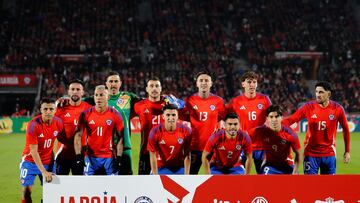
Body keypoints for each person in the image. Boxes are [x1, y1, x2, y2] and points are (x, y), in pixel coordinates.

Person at [283, 81, 350, 174]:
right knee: (310, 187)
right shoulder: (308, 107)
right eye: (316, 92)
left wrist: (347, 151)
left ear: (329, 94)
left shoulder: (338, 109)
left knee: (328, 187)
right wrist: (275, 125)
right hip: (311, 154)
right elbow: (291, 120)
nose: (318, 95)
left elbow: (346, 130)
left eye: (321, 92)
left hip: (329, 154)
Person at [226, 71, 271, 174]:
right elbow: (225, 117)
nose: (252, 85)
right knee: (240, 176)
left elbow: (272, 117)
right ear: (243, 84)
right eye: (249, 82)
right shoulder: (235, 102)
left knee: (264, 177)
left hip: (262, 145)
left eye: (254, 82)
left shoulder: (264, 99)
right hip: (243, 145)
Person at [20, 98, 64, 203]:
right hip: (29, 161)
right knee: (26, 193)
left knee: (51, 193)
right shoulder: (33, 125)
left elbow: (62, 141)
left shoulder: (59, 123)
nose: (48, 112)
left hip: (48, 162)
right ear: (41, 109)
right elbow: (34, 151)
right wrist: (44, 172)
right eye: (45, 109)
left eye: (51, 109)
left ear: (55, 110)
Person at [74, 85, 124, 175]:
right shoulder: (86, 114)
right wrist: (78, 156)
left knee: (113, 186)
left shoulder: (115, 115)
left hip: (109, 156)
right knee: (87, 186)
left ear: (108, 97)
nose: (98, 98)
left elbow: (121, 138)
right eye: (96, 95)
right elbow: (78, 135)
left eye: (101, 95)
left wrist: (119, 158)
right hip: (90, 157)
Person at [183, 71, 225, 174]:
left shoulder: (218, 101)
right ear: (197, 84)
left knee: (215, 178)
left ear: (211, 83)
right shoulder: (189, 100)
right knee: (191, 177)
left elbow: (223, 119)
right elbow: (184, 117)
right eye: (201, 80)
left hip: (212, 147)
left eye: (206, 80)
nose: (204, 83)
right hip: (194, 147)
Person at [104, 71, 140, 175]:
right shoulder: (99, 98)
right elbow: (79, 102)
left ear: (120, 83)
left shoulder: (128, 97)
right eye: (111, 81)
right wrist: (64, 100)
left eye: (116, 81)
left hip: (125, 148)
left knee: (127, 183)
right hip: (104, 150)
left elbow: (146, 103)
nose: (113, 84)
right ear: (106, 84)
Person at [54, 79, 91, 175]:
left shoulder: (88, 109)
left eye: (78, 89)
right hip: (62, 154)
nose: (75, 91)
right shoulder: (60, 108)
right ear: (68, 92)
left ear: (82, 92)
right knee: (60, 187)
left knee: (80, 187)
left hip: (80, 155)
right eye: (73, 89)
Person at [251, 105, 302, 175]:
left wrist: (295, 172)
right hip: (270, 165)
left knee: (296, 184)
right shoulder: (261, 131)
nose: (274, 119)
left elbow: (299, 154)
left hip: (287, 164)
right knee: (262, 184)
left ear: (281, 118)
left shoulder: (290, 134)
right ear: (267, 119)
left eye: (277, 116)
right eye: (271, 117)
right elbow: (243, 135)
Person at [147, 104, 192, 175]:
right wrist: (155, 176)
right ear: (163, 116)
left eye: (173, 115)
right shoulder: (155, 131)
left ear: (178, 116)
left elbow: (187, 155)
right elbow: (152, 155)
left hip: (179, 168)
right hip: (161, 167)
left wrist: (186, 175)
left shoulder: (186, 131)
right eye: (168, 115)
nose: (171, 118)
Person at [134, 77, 166, 175]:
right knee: (143, 184)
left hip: (165, 152)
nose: (154, 89)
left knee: (164, 183)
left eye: (157, 86)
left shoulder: (168, 104)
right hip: (145, 152)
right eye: (151, 86)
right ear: (147, 89)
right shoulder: (139, 105)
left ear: (161, 89)